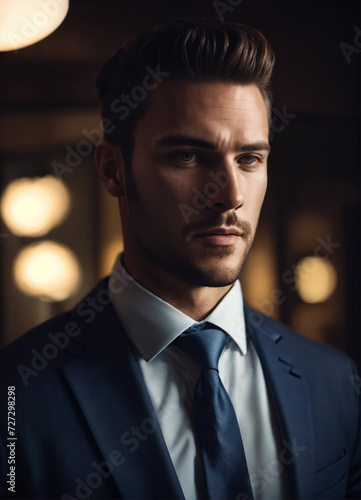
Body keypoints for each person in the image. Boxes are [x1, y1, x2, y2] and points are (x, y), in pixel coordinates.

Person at [0, 19, 360, 500]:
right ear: (113, 170)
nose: (229, 194)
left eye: (250, 159)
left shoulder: (334, 381)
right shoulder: (15, 395)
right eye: (189, 156)